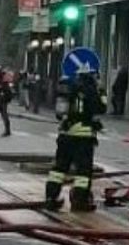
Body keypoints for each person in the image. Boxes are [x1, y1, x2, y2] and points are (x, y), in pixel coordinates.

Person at [44, 71, 106, 211]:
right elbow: (101, 108)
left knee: (59, 169)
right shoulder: (90, 89)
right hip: (83, 138)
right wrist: (102, 92)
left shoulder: (69, 87)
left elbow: (60, 114)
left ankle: (50, 198)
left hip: (65, 135)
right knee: (83, 172)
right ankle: (79, 201)